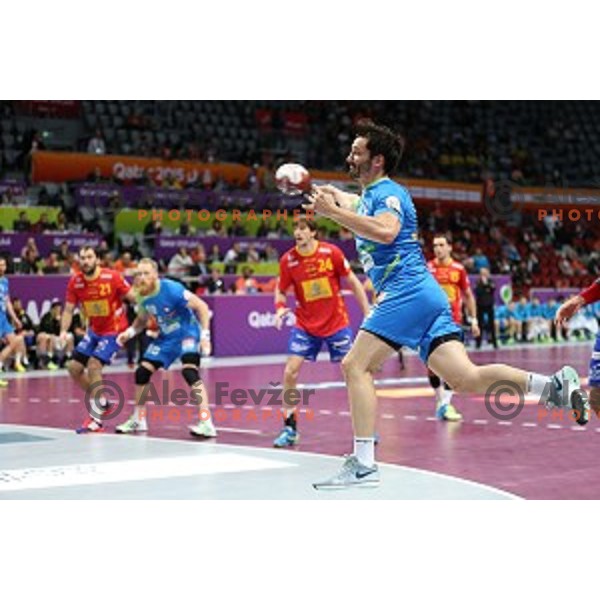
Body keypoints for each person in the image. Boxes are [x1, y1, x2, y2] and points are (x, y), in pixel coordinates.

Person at [305, 119, 587, 489]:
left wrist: (335, 213)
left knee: (355, 365)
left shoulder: (388, 193)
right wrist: (319, 190)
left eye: (357, 152)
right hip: (425, 296)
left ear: (377, 161)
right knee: (465, 378)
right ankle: (556, 388)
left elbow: (387, 231)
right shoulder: (370, 196)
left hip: (407, 292)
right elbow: (351, 201)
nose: (349, 156)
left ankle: (363, 463)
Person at [272, 216, 370, 448]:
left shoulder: (331, 253)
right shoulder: (288, 260)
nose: (298, 232)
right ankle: (290, 428)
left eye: (303, 228)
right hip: (306, 325)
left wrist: (367, 312)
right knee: (290, 372)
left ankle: (366, 429)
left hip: (336, 323)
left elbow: (354, 282)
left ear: (313, 232)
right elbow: (280, 291)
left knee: (354, 374)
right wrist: (278, 308)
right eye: (295, 228)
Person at [115, 258, 216, 437]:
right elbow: (142, 320)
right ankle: (138, 419)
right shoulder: (140, 294)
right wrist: (129, 333)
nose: (141, 277)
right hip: (167, 338)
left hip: (187, 333)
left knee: (189, 372)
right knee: (142, 373)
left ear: (155, 275)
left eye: (146, 273)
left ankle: (206, 422)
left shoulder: (172, 289)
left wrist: (205, 336)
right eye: (138, 274)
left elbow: (202, 306)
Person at [59, 245, 135, 433]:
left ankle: (96, 419)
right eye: (82, 258)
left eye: (89, 257)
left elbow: (133, 297)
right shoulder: (75, 282)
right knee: (74, 368)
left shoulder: (113, 277)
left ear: (97, 260)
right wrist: (63, 331)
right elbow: (68, 309)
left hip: (115, 330)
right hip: (95, 330)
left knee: (94, 365)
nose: (85, 261)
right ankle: (101, 400)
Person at [426, 234, 480, 421]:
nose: (437, 249)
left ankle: (446, 404)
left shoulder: (459, 269)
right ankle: (440, 401)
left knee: (452, 365)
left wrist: (473, 320)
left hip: (452, 322)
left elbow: (468, 295)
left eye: (441, 245)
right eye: (435, 246)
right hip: (430, 322)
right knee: (431, 367)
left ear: (450, 247)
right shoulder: (428, 268)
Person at [0, 257, 23, 385]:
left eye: (3, 265)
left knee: (15, 342)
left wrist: (15, 318)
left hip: (3, 318)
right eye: (0, 265)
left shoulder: (5, 281)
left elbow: (7, 301)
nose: (2, 268)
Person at [474, 268, 498, 349]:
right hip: (480, 305)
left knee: (492, 325)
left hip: (489, 305)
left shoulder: (491, 281)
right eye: (482, 273)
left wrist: (486, 285)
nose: (484, 275)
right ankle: (478, 343)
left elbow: (493, 289)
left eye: (485, 273)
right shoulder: (478, 282)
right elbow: (478, 292)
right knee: (479, 324)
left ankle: (495, 343)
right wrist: (485, 287)